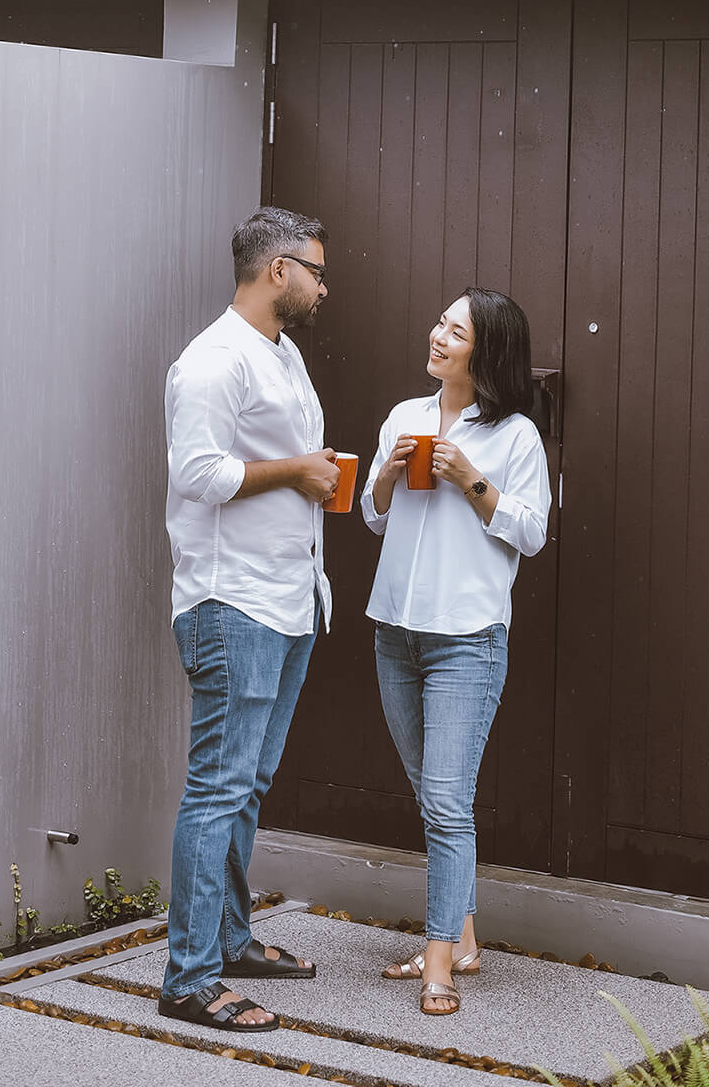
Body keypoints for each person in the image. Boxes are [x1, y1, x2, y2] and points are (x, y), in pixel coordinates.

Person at [158, 206, 339, 1034]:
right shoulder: (210, 362)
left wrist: (310, 475)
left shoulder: (285, 352)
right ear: (277, 270)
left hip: (288, 598)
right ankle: (188, 981)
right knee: (217, 790)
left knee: (248, 786)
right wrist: (296, 471)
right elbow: (197, 473)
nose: (322, 285)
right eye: (315, 270)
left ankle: (229, 941)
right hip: (231, 603)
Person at [361, 287, 551, 1018]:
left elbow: (529, 533)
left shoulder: (516, 437)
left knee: (445, 801)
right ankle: (464, 939)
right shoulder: (405, 416)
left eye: (455, 330)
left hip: (467, 640)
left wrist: (469, 478)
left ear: (487, 351)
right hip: (394, 633)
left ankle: (439, 960)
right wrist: (387, 471)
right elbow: (375, 517)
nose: (437, 335)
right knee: (435, 799)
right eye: (439, 321)